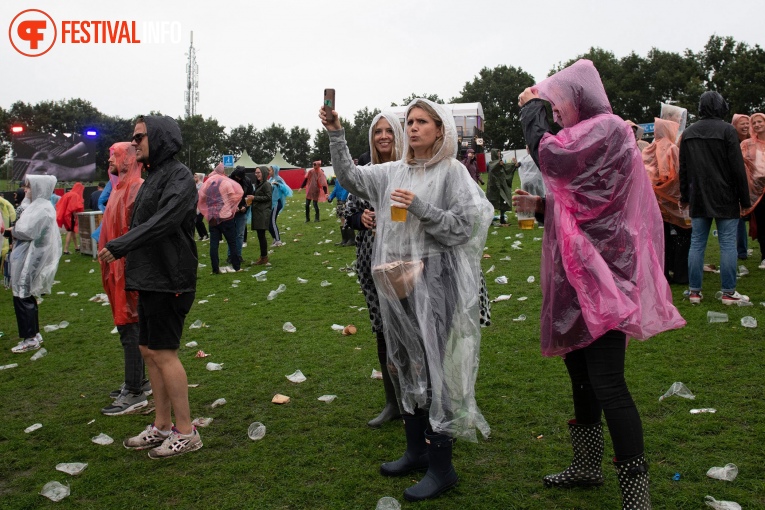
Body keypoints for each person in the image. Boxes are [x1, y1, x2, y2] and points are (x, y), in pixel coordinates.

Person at [517, 59, 685, 509]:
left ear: (578, 97)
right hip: (577, 276)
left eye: (559, 103)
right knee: (581, 376)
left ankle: (636, 495)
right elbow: (585, 210)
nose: (557, 112)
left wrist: (531, 108)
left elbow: (549, 155)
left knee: (608, 381)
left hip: (605, 277)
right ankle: (587, 467)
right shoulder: (591, 136)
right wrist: (540, 208)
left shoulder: (608, 129)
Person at [322, 98, 493, 502]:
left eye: (422, 122)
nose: (413, 128)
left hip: (436, 279)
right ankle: (416, 450)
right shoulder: (392, 171)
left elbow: (465, 227)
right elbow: (348, 175)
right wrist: (336, 133)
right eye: (410, 122)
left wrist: (420, 208)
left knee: (433, 367)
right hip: (394, 279)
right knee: (403, 362)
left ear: (440, 129)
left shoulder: (451, 173)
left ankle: (442, 467)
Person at [98, 115, 201, 459]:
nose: (135, 142)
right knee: (148, 350)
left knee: (164, 352)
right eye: (133, 136)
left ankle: (186, 432)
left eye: (140, 136)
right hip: (149, 277)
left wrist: (121, 244)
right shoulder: (154, 175)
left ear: (158, 138)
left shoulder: (180, 177)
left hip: (171, 277)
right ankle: (160, 425)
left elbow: (165, 221)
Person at [344, 111, 406, 428]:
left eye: (388, 131)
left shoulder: (409, 171)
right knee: (382, 331)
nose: (383, 136)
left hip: (404, 263)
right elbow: (349, 213)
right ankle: (392, 402)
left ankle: (419, 402)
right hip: (371, 264)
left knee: (410, 332)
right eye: (377, 131)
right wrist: (361, 220)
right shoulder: (365, 174)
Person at [680, 91, 751, 305]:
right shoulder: (727, 131)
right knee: (727, 243)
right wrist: (745, 200)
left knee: (697, 243)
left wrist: (685, 196)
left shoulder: (689, 132)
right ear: (721, 106)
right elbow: (738, 169)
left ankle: (694, 292)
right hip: (725, 196)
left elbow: (683, 169)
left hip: (699, 195)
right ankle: (728, 292)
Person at [98, 142, 152, 416]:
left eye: (114, 156)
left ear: (128, 160)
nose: (110, 161)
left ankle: (134, 391)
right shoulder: (119, 188)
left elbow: (139, 230)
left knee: (129, 328)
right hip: (115, 268)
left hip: (128, 270)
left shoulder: (136, 187)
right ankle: (137, 380)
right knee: (128, 327)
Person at [8, 175, 61, 353]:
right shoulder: (38, 206)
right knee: (25, 294)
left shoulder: (42, 209)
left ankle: (29, 338)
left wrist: (12, 231)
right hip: (26, 256)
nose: (26, 190)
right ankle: (34, 333)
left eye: (29, 187)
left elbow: (26, 230)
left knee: (22, 295)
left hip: (30, 258)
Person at [643, 118, 691, 285]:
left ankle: (663, 273)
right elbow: (672, 173)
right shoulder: (671, 148)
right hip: (671, 201)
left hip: (655, 202)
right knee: (683, 237)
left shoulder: (649, 148)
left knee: (662, 239)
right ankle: (681, 274)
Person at [198, 164, 244, 273]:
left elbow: (202, 198)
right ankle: (236, 267)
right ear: (223, 172)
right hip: (226, 216)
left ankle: (215, 269)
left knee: (214, 244)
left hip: (212, 218)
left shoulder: (208, 183)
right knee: (232, 242)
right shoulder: (226, 182)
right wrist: (231, 207)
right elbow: (234, 197)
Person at [740, 112, 765, 269]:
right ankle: (764, 255)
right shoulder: (747, 144)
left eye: (760, 121)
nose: (757, 125)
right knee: (762, 222)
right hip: (757, 188)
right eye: (754, 122)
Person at [732, 114, 752, 260]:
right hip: (738, 183)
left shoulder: (754, 140)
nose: (745, 126)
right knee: (738, 218)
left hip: (755, 185)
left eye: (747, 123)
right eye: (742, 123)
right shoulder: (731, 140)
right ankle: (742, 251)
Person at [229, 167, 253, 263]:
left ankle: (238, 255)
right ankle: (230, 255)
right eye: (237, 177)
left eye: (240, 177)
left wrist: (245, 207)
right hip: (231, 211)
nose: (238, 179)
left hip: (242, 210)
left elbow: (250, 196)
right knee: (231, 234)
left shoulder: (247, 181)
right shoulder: (229, 180)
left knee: (240, 234)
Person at [485, 149, 515, 225]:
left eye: (499, 153)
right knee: (492, 203)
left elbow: (506, 168)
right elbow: (493, 168)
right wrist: (498, 164)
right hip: (493, 187)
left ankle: (502, 218)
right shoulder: (491, 163)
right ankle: (490, 219)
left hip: (501, 185)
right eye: (497, 153)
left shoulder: (500, 162)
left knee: (503, 201)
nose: (499, 154)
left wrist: (513, 164)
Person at [250, 166, 272, 265]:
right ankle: (263, 256)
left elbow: (268, 197)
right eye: (256, 173)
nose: (257, 174)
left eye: (259, 172)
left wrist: (254, 198)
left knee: (261, 235)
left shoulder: (266, 184)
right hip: (258, 212)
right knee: (260, 235)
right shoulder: (260, 184)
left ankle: (264, 257)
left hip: (263, 213)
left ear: (263, 173)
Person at [56, 182, 84, 254]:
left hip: (65, 215)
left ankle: (76, 247)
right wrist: (75, 216)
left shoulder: (67, 194)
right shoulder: (75, 195)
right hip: (70, 216)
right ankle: (66, 249)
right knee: (69, 231)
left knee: (72, 231)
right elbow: (73, 207)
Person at [268, 165, 292, 247]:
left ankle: (278, 240)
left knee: (272, 221)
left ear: (274, 171)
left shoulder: (278, 179)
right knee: (268, 222)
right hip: (271, 203)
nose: (269, 172)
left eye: (270, 170)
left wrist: (278, 185)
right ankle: (275, 238)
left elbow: (286, 189)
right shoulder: (270, 179)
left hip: (276, 203)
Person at [328, 175, 352, 245]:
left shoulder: (346, 177)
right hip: (339, 201)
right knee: (342, 218)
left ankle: (351, 239)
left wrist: (343, 199)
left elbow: (347, 189)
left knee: (346, 218)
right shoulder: (338, 178)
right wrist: (331, 197)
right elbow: (336, 188)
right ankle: (345, 239)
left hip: (344, 201)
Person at [193, 173, 209, 241]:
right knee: (195, 221)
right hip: (196, 205)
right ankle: (201, 235)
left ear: (199, 178)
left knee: (199, 221)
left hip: (201, 206)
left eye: (195, 177)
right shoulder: (195, 185)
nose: (194, 178)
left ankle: (206, 235)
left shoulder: (202, 185)